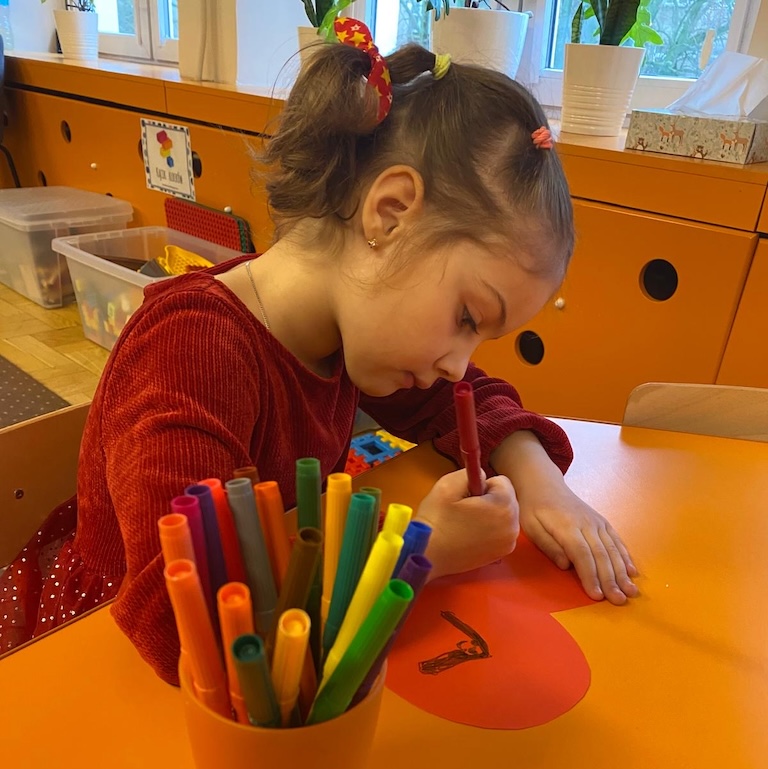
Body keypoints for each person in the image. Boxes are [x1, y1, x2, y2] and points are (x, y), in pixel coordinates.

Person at [0, 20, 637, 684]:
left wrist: (542, 485)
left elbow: (467, 399)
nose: (458, 361)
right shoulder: (190, 351)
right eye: (468, 318)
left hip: (274, 616)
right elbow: (195, 629)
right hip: (103, 657)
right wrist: (417, 555)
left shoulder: (345, 332)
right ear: (390, 213)